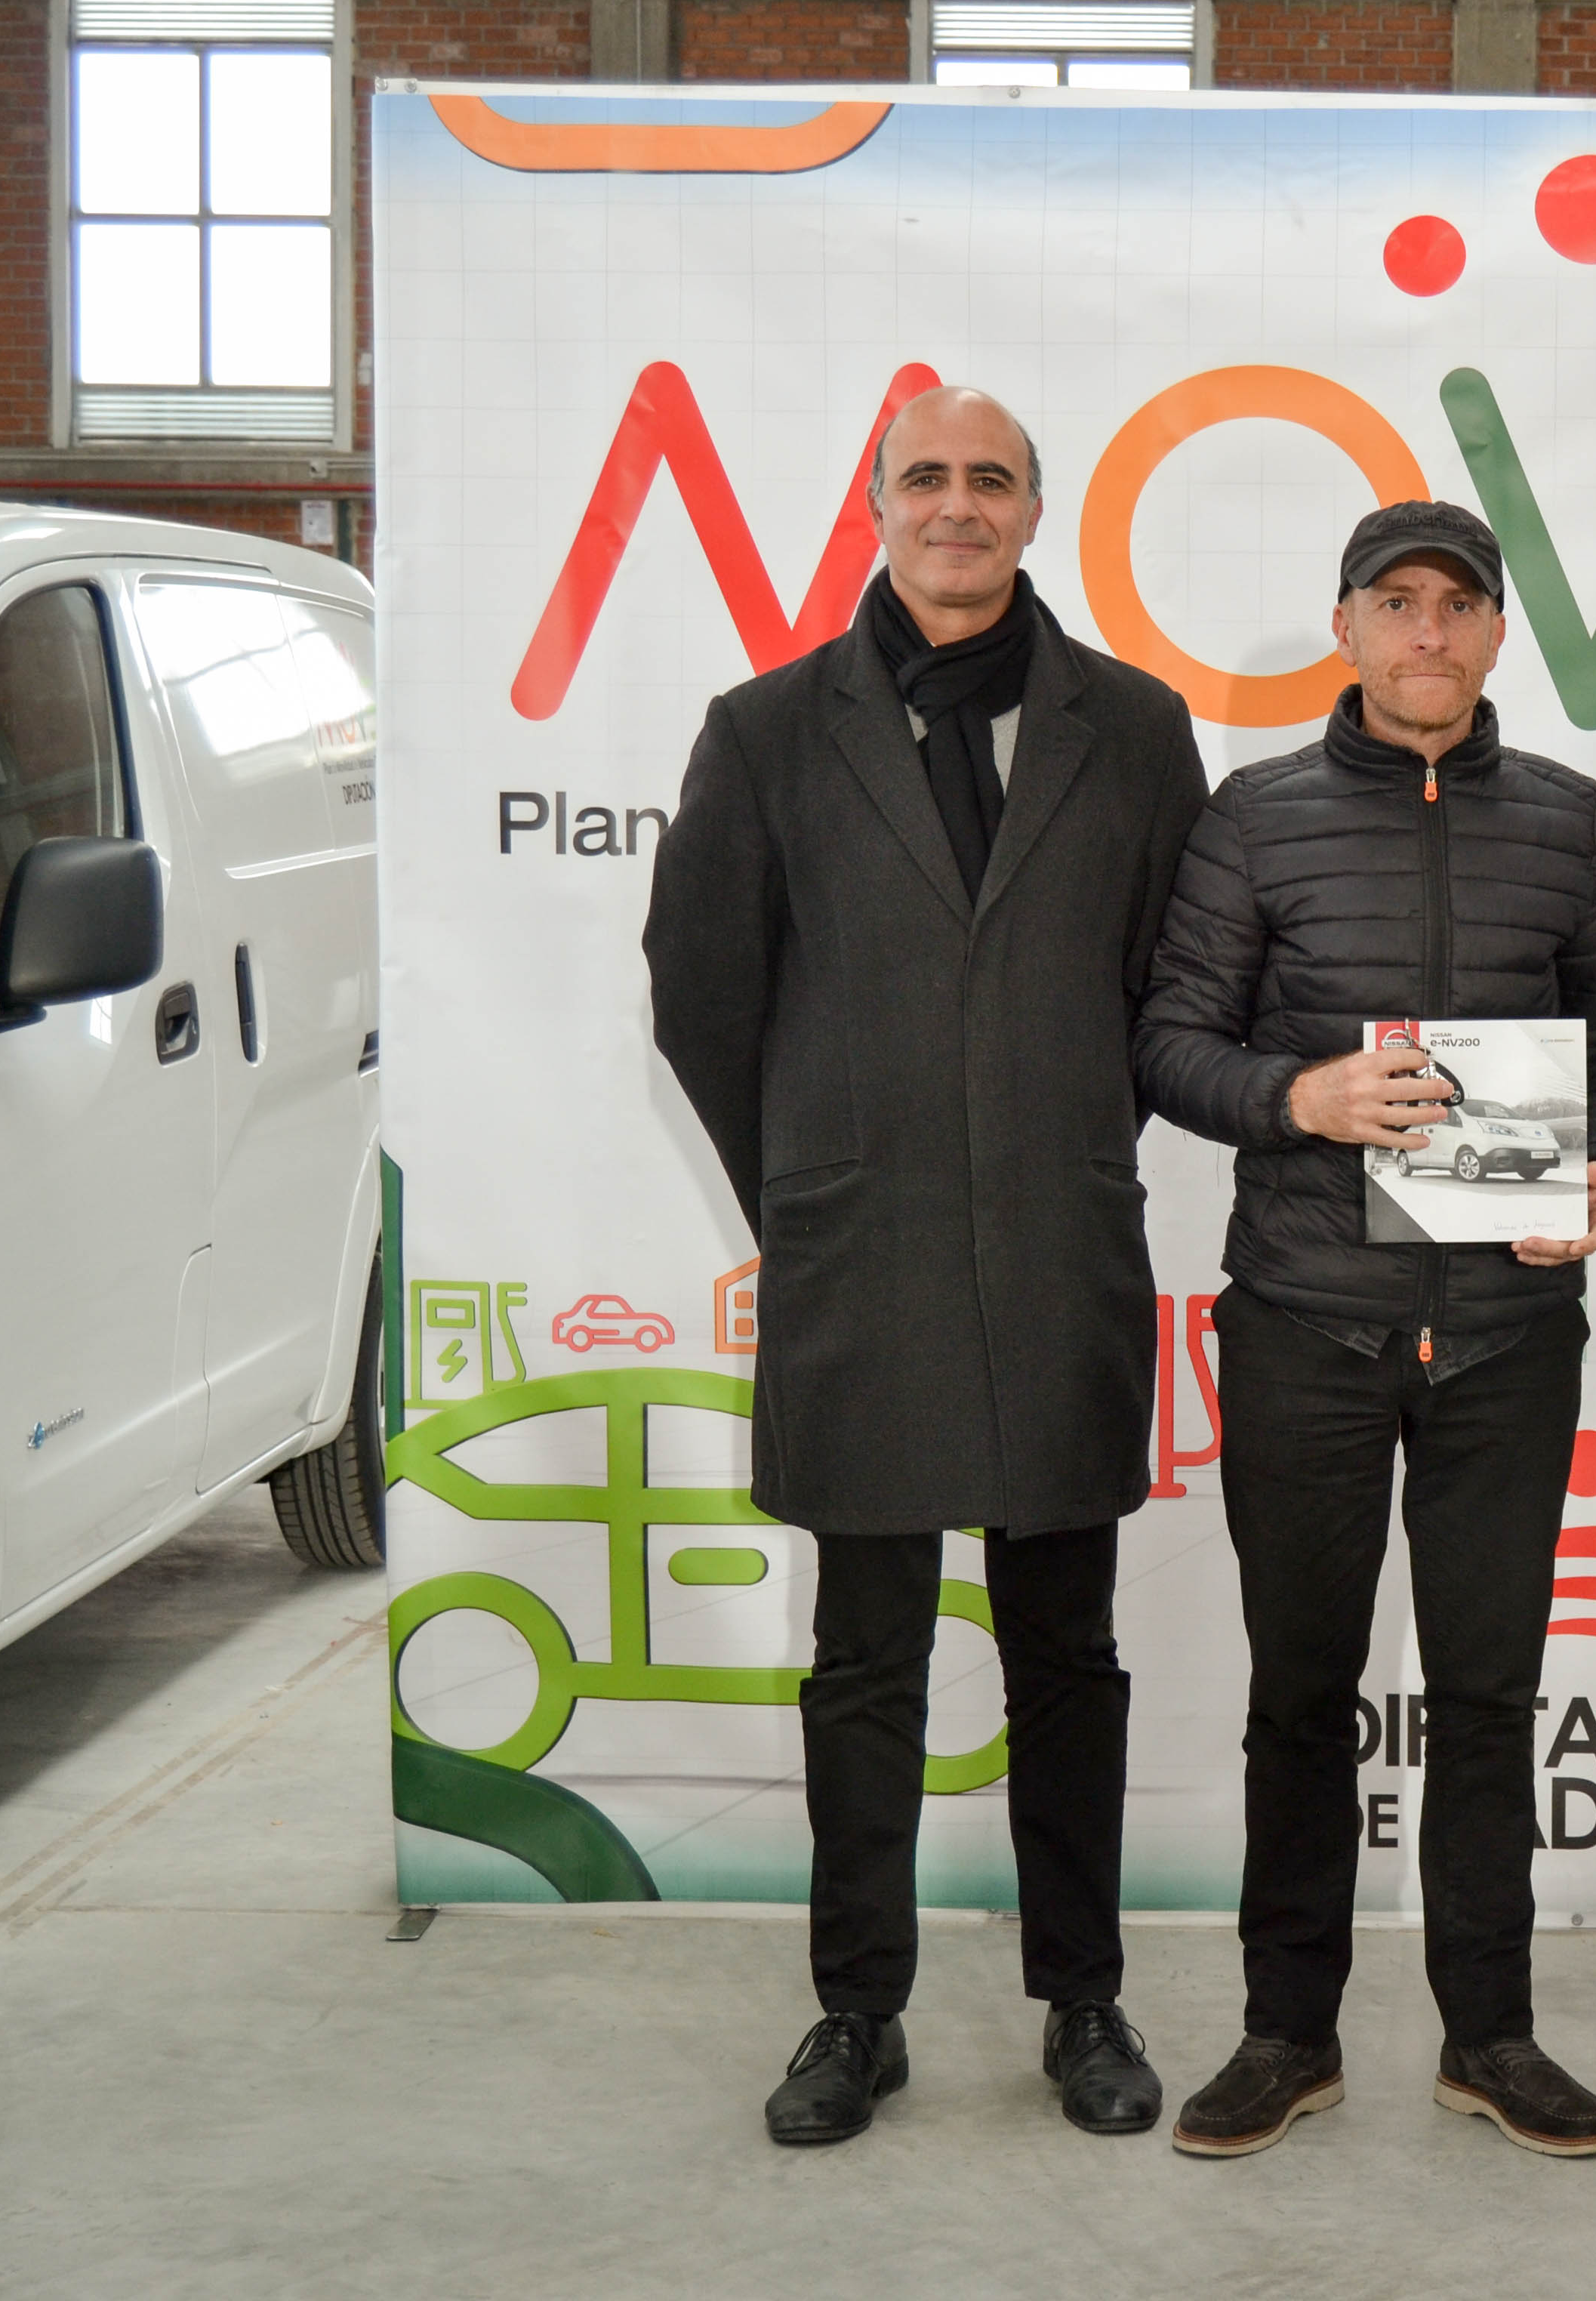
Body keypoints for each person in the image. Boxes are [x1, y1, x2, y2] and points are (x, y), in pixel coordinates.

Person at [645, 386, 1209, 2146]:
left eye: (992, 479)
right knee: (865, 1657)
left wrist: (1049, 1133)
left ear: (1035, 512)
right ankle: (855, 2013)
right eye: (925, 477)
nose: (957, 504)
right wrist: (813, 1176)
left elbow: (1169, 987)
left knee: (1068, 1652)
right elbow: (702, 994)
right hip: (858, 1259)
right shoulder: (765, 731)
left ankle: (1084, 2000)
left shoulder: (1137, 729)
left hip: (1058, 1251)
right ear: (876, 505)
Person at [1132, 499, 1596, 2161]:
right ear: (1347, 628)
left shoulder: (1568, 819)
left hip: (1508, 1333)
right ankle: (1286, 2034)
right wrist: (1303, 1096)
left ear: (1496, 633)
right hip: (1310, 1327)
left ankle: (1489, 2037)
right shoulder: (1256, 816)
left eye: (1457, 606)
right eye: (1396, 603)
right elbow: (1170, 1042)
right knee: (1302, 1693)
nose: (1428, 633)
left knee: (1490, 1697)